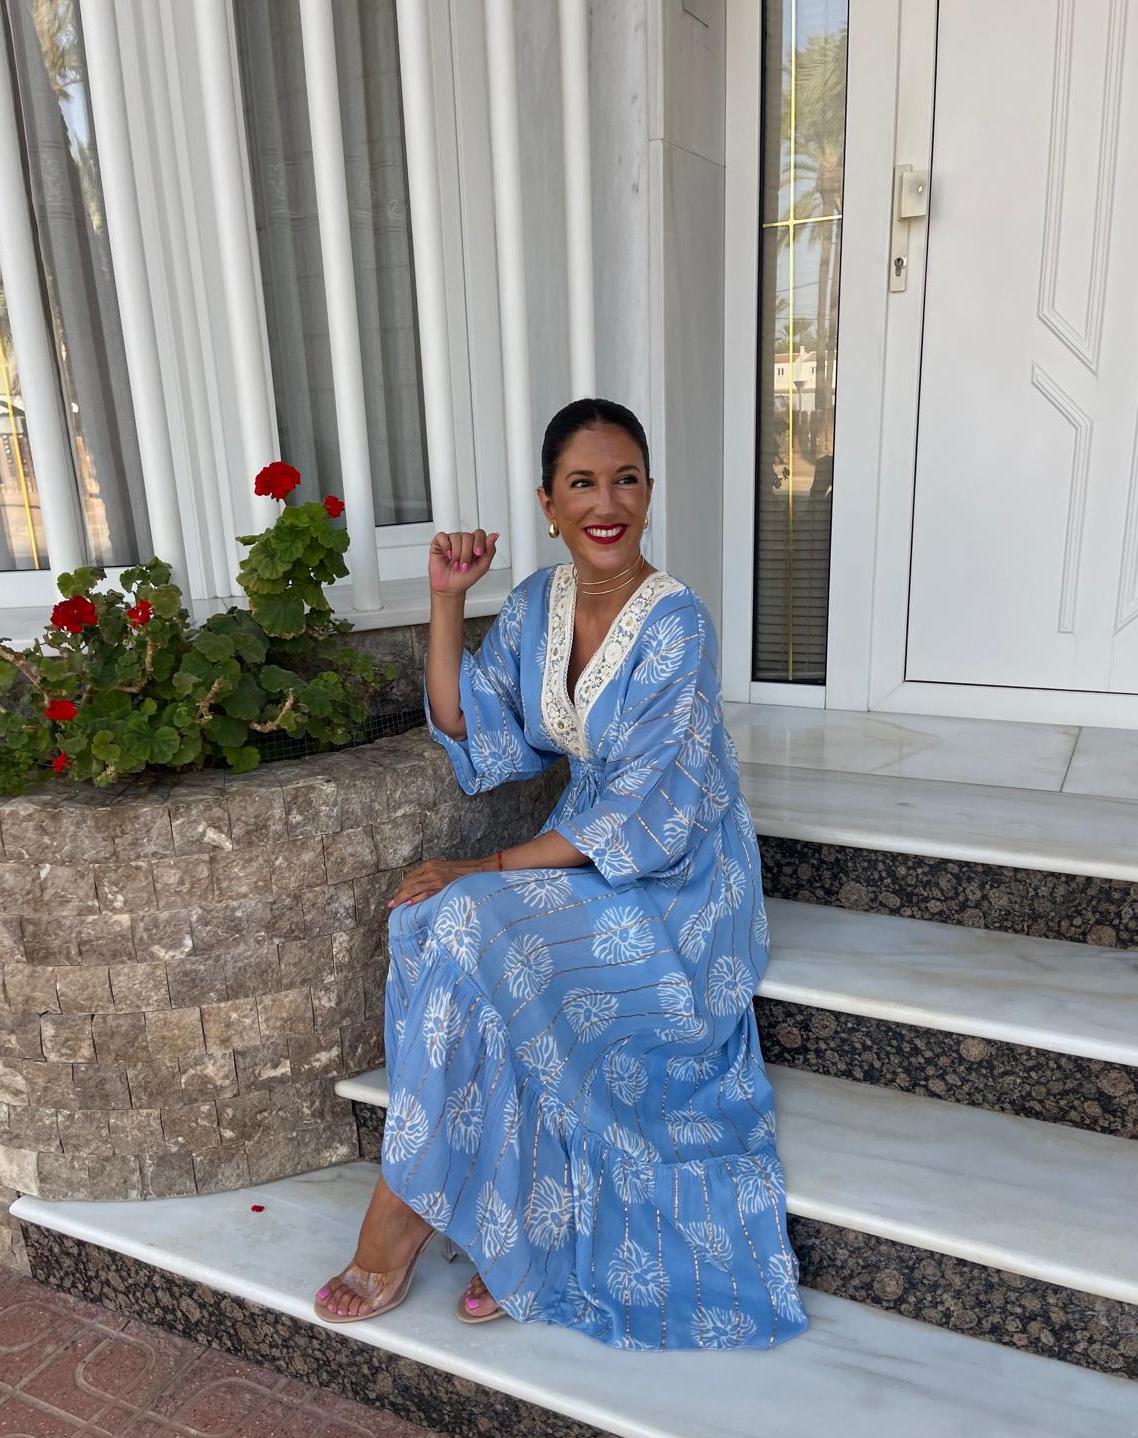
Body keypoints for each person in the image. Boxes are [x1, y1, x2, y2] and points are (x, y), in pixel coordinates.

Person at [315, 397, 808, 1351]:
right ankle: (509, 1219)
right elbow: (475, 730)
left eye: (625, 480)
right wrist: (448, 600)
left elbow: (647, 814)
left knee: (469, 917)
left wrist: (486, 865)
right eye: (582, 483)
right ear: (548, 503)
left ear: (650, 492)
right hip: (580, 845)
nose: (605, 503)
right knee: (430, 922)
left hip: (680, 878)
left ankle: (402, 1212)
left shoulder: (678, 623)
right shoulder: (538, 604)